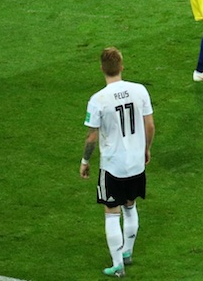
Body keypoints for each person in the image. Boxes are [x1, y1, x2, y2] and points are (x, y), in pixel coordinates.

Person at [81, 47, 154, 279]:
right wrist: (146, 149)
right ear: (121, 66)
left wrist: (85, 160)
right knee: (130, 207)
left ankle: (117, 265)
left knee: (112, 214)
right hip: (136, 163)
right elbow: (150, 125)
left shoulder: (98, 99)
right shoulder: (139, 90)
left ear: (102, 69)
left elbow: (92, 137)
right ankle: (127, 253)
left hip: (113, 166)